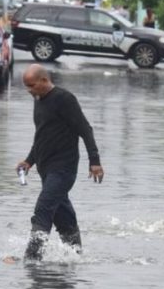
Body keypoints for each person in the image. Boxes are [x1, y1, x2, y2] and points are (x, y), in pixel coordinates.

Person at [17, 64, 105, 261]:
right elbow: (41, 135)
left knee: (43, 208)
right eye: (26, 86)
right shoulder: (38, 100)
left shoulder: (64, 99)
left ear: (44, 80)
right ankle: (75, 255)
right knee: (62, 214)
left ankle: (31, 259)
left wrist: (95, 161)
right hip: (45, 168)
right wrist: (29, 161)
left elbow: (85, 129)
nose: (29, 90)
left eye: (31, 85)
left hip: (63, 169)